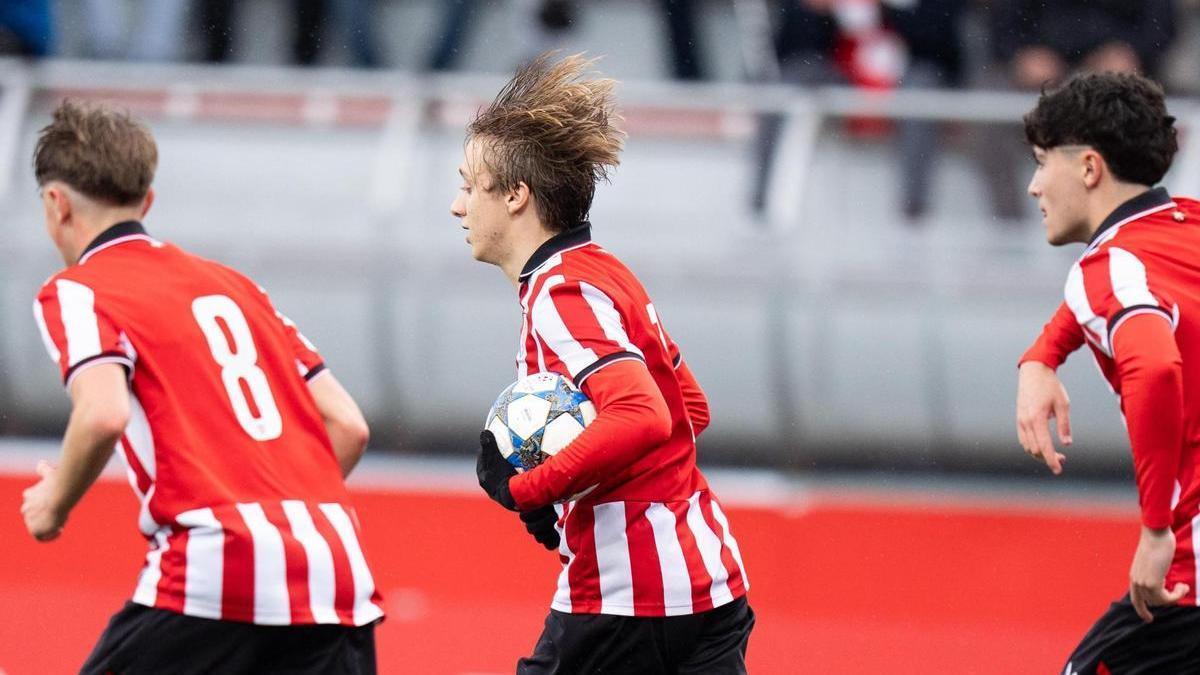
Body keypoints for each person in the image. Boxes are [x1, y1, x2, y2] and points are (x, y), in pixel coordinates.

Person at [20, 100, 383, 674]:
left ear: (55, 203)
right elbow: (349, 425)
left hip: (217, 566)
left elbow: (101, 415)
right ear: (147, 200)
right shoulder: (236, 285)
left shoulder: (79, 290)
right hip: (334, 569)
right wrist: (275, 509)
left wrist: (52, 503)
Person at [453, 54, 753, 673]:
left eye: (467, 185)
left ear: (516, 196)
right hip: (707, 579)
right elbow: (688, 409)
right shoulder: (602, 269)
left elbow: (643, 415)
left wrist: (528, 489)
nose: (458, 207)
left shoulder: (559, 292)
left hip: (628, 599)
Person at [1015, 72, 1200, 673]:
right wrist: (1043, 355)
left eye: (1044, 163)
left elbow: (1155, 368)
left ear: (1089, 169)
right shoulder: (1187, 226)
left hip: (1190, 573)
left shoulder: (1109, 266)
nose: (1034, 185)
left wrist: (1155, 529)